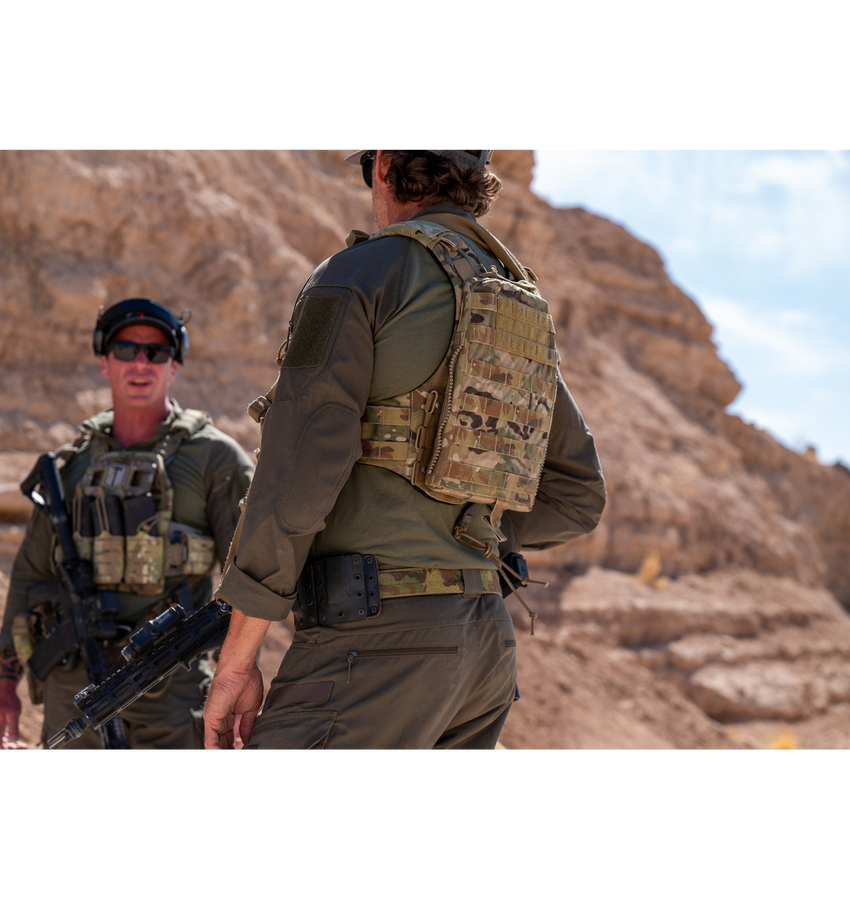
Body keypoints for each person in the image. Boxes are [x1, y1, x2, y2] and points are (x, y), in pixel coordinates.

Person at [203, 147, 606, 752]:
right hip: (483, 653)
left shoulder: (360, 274)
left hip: (375, 648)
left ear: (385, 163)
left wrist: (237, 658)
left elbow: (298, 478)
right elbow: (577, 494)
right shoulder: (516, 306)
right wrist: (466, 531)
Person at [0, 297, 255, 752]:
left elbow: (251, 578)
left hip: (174, 684)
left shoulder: (215, 459)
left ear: (174, 366)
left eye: (157, 353)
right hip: (74, 690)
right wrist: (3, 685)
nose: (141, 363)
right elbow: (31, 575)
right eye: (127, 349)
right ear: (104, 362)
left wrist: (240, 675)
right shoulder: (67, 466)